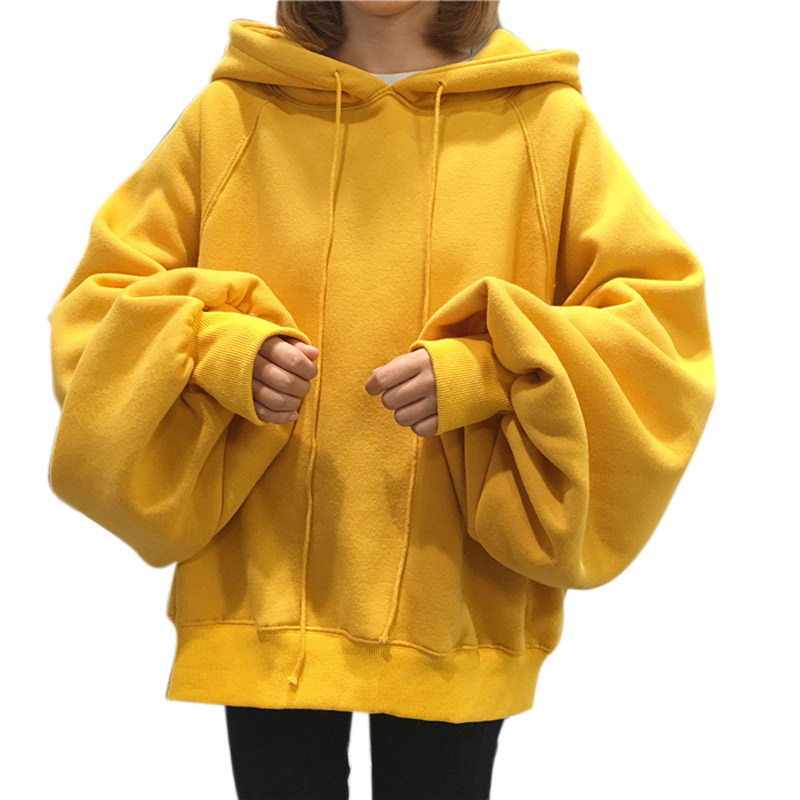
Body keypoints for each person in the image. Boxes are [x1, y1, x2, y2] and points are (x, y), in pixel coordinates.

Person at [47, 1, 717, 798]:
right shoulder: (233, 114)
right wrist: (224, 354)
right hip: (263, 595)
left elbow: (658, 332)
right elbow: (98, 310)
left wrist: (488, 370)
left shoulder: (545, 124)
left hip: (458, 600)